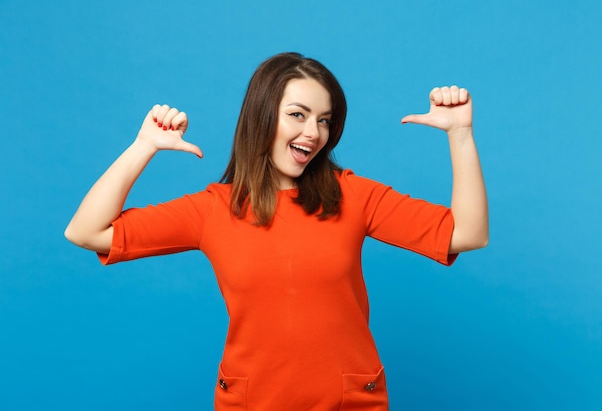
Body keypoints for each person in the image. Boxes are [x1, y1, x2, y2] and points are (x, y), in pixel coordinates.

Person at [65, 52, 488, 411]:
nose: (313, 133)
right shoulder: (213, 209)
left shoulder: (353, 195)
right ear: (262, 115)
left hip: (350, 401)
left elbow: (466, 234)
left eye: (324, 120)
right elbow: (86, 232)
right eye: (298, 115)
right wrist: (144, 146)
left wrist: (461, 134)